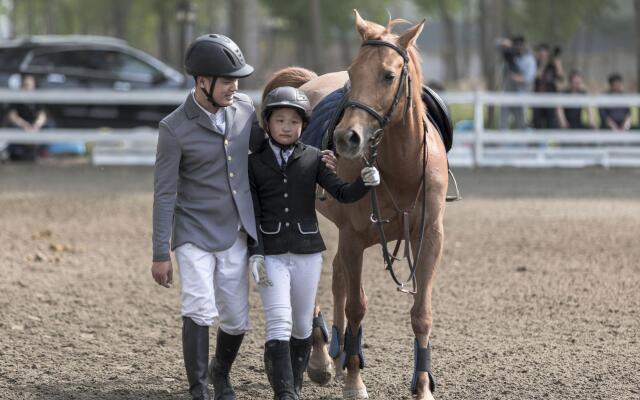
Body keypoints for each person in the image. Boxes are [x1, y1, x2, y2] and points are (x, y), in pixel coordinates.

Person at [151, 33, 264, 400]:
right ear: (202, 82)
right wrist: (159, 252)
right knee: (199, 306)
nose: (235, 87)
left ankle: (221, 372)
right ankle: (199, 388)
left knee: (235, 317)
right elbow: (165, 192)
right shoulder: (173, 128)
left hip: (236, 229)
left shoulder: (246, 109)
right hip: (193, 232)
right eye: (228, 80)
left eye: (237, 81)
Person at [248, 86, 379, 400]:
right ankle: (286, 394)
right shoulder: (253, 163)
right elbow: (250, 210)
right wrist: (255, 252)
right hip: (272, 252)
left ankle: (292, 387)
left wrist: (364, 181)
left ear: (303, 126)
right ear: (268, 124)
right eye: (279, 121)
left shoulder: (315, 159)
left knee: (303, 327)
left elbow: (342, 193)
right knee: (279, 320)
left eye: (293, 122)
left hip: (307, 252)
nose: (286, 127)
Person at [497, 36, 537, 130]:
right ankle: (501, 142)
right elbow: (497, 45)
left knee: (521, 122)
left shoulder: (529, 59)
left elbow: (529, 78)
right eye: (516, 45)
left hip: (521, 94)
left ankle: (522, 143)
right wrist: (505, 43)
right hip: (508, 93)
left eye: (520, 45)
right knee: (503, 121)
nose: (518, 47)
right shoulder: (512, 56)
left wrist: (515, 77)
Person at [5, 74, 47, 161]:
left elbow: (42, 115)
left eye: (29, 84)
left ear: (34, 85)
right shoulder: (16, 98)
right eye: (25, 84)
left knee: (49, 127)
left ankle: (41, 153)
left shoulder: (37, 98)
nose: (27, 87)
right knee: (13, 130)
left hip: (33, 124)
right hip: (20, 124)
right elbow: (12, 116)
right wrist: (24, 125)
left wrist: (36, 126)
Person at [532, 44, 565, 129]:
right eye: (540, 51)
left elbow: (561, 80)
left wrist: (558, 65)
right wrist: (543, 64)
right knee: (537, 122)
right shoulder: (535, 63)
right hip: (537, 98)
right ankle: (537, 141)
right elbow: (537, 76)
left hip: (550, 97)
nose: (542, 54)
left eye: (544, 51)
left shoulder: (553, 65)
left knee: (551, 122)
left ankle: (549, 141)